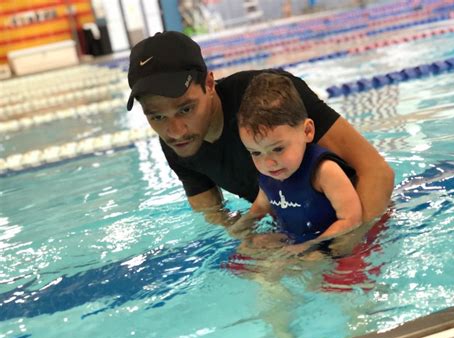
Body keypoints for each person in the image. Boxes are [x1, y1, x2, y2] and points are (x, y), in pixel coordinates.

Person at [126, 31, 394, 225]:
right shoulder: (176, 143)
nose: (175, 130)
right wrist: (250, 240)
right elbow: (215, 216)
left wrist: (351, 249)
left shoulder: (271, 98)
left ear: (209, 84)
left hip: (359, 215)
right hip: (297, 224)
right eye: (157, 116)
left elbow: (377, 172)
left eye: (186, 109)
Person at [233, 72, 362, 250]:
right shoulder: (269, 173)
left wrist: (309, 246)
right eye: (255, 153)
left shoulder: (324, 172)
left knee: (311, 260)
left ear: (307, 131)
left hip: (331, 243)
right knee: (248, 251)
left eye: (278, 149)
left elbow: (352, 219)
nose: (268, 163)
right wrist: (240, 229)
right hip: (296, 240)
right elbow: (261, 206)